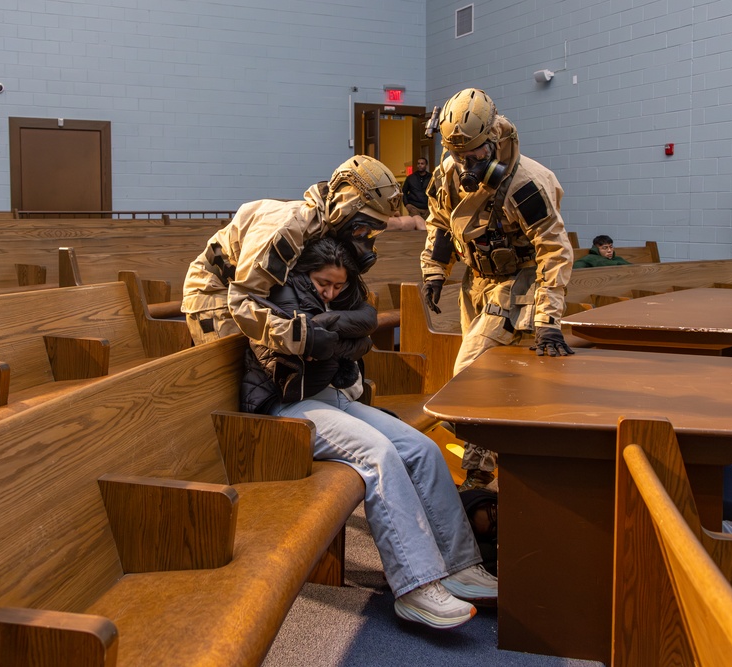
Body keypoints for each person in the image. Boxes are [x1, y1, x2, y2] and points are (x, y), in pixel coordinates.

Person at [240, 235, 498, 630]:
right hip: (287, 407)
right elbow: (317, 345)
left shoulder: (334, 297)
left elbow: (363, 326)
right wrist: (340, 337)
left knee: (422, 448)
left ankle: (460, 565)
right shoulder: (279, 293)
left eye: (338, 286)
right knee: (378, 454)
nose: (330, 292)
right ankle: (416, 587)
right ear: (304, 273)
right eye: (323, 283)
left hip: (329, 397)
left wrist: (336, 332)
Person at [420, 88, 574, 491]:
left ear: (494, 140)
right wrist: (435, 269)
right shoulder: (449, 172)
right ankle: (478, 474)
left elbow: (555, 250)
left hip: (518, 284)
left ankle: (490, 466)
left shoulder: (525, 182)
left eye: (473, 156)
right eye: (458, 155)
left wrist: (548, 320)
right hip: (476, 283)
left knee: (467, 375)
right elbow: (439, 222)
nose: (465, 165)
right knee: (492, 382)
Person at [181, 155, 401, 346]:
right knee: (234, 376)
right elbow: (244, 301)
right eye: (362, 228)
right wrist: (303, 339)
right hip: (215, 294)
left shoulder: (328, 227)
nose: (365, 239)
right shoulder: (287, 231)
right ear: (343, 209)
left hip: (252, 294)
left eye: (373, 232)